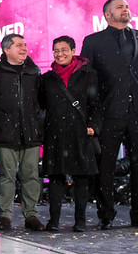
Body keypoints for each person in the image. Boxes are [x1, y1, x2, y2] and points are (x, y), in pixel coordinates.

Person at [81, 0, 138, 230]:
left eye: (127, 6)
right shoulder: (93, 42)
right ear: (107, 15)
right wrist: (91, 115)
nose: (126, 9)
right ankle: (106, 213)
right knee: (106, 167)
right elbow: (87, 81)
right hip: (109, 113)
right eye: (120, 7)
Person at [39, 36, 100, 232]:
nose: (60, 54)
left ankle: (80, 221)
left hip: (81, 133)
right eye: (56, 50)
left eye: (64, 50)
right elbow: (41, 106)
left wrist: (94, 126)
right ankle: (54, 220)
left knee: (81, 179)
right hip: (55, 133)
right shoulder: (47, 78)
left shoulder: (88, 74)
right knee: (56, 178)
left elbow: (97, 105)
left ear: (74, 51)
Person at [0, 34, 44, 232]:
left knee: (31, 175)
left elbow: (41, 101)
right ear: (6, 49)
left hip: (31, 132)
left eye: (25, 45)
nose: (24, 48)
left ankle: (31, 215)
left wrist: (38, 123)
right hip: (5, 132)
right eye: (19, 45)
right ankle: (5, 216)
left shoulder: (33, 71)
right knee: (7, 176)